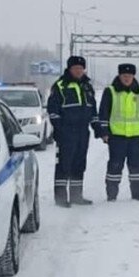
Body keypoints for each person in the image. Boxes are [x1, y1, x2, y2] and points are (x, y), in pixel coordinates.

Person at [97, 63, 139, 202]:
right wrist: (104, 132)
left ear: (133, 76)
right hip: (117, 136)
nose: (127, 78)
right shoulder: (110, 91)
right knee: (115, 166)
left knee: (136, 167)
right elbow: (103, 113)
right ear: (120, 76)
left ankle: (137, 193)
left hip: (136, 136)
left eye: (129, 75)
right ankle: (111, 194)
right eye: (124, 75)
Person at [46, 55, 98, 206]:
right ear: (69, 69)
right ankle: (61, 197)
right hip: (66, 133)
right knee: (64, 165)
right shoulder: (60, 86)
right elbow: (53, 111)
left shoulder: (87, 86)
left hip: (83, 132)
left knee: (79, 164)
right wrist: (60, 130)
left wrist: (99, 130)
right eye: (76, 68)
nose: (79, 71)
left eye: (81, 68)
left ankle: (76, 196)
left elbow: (93, 110)